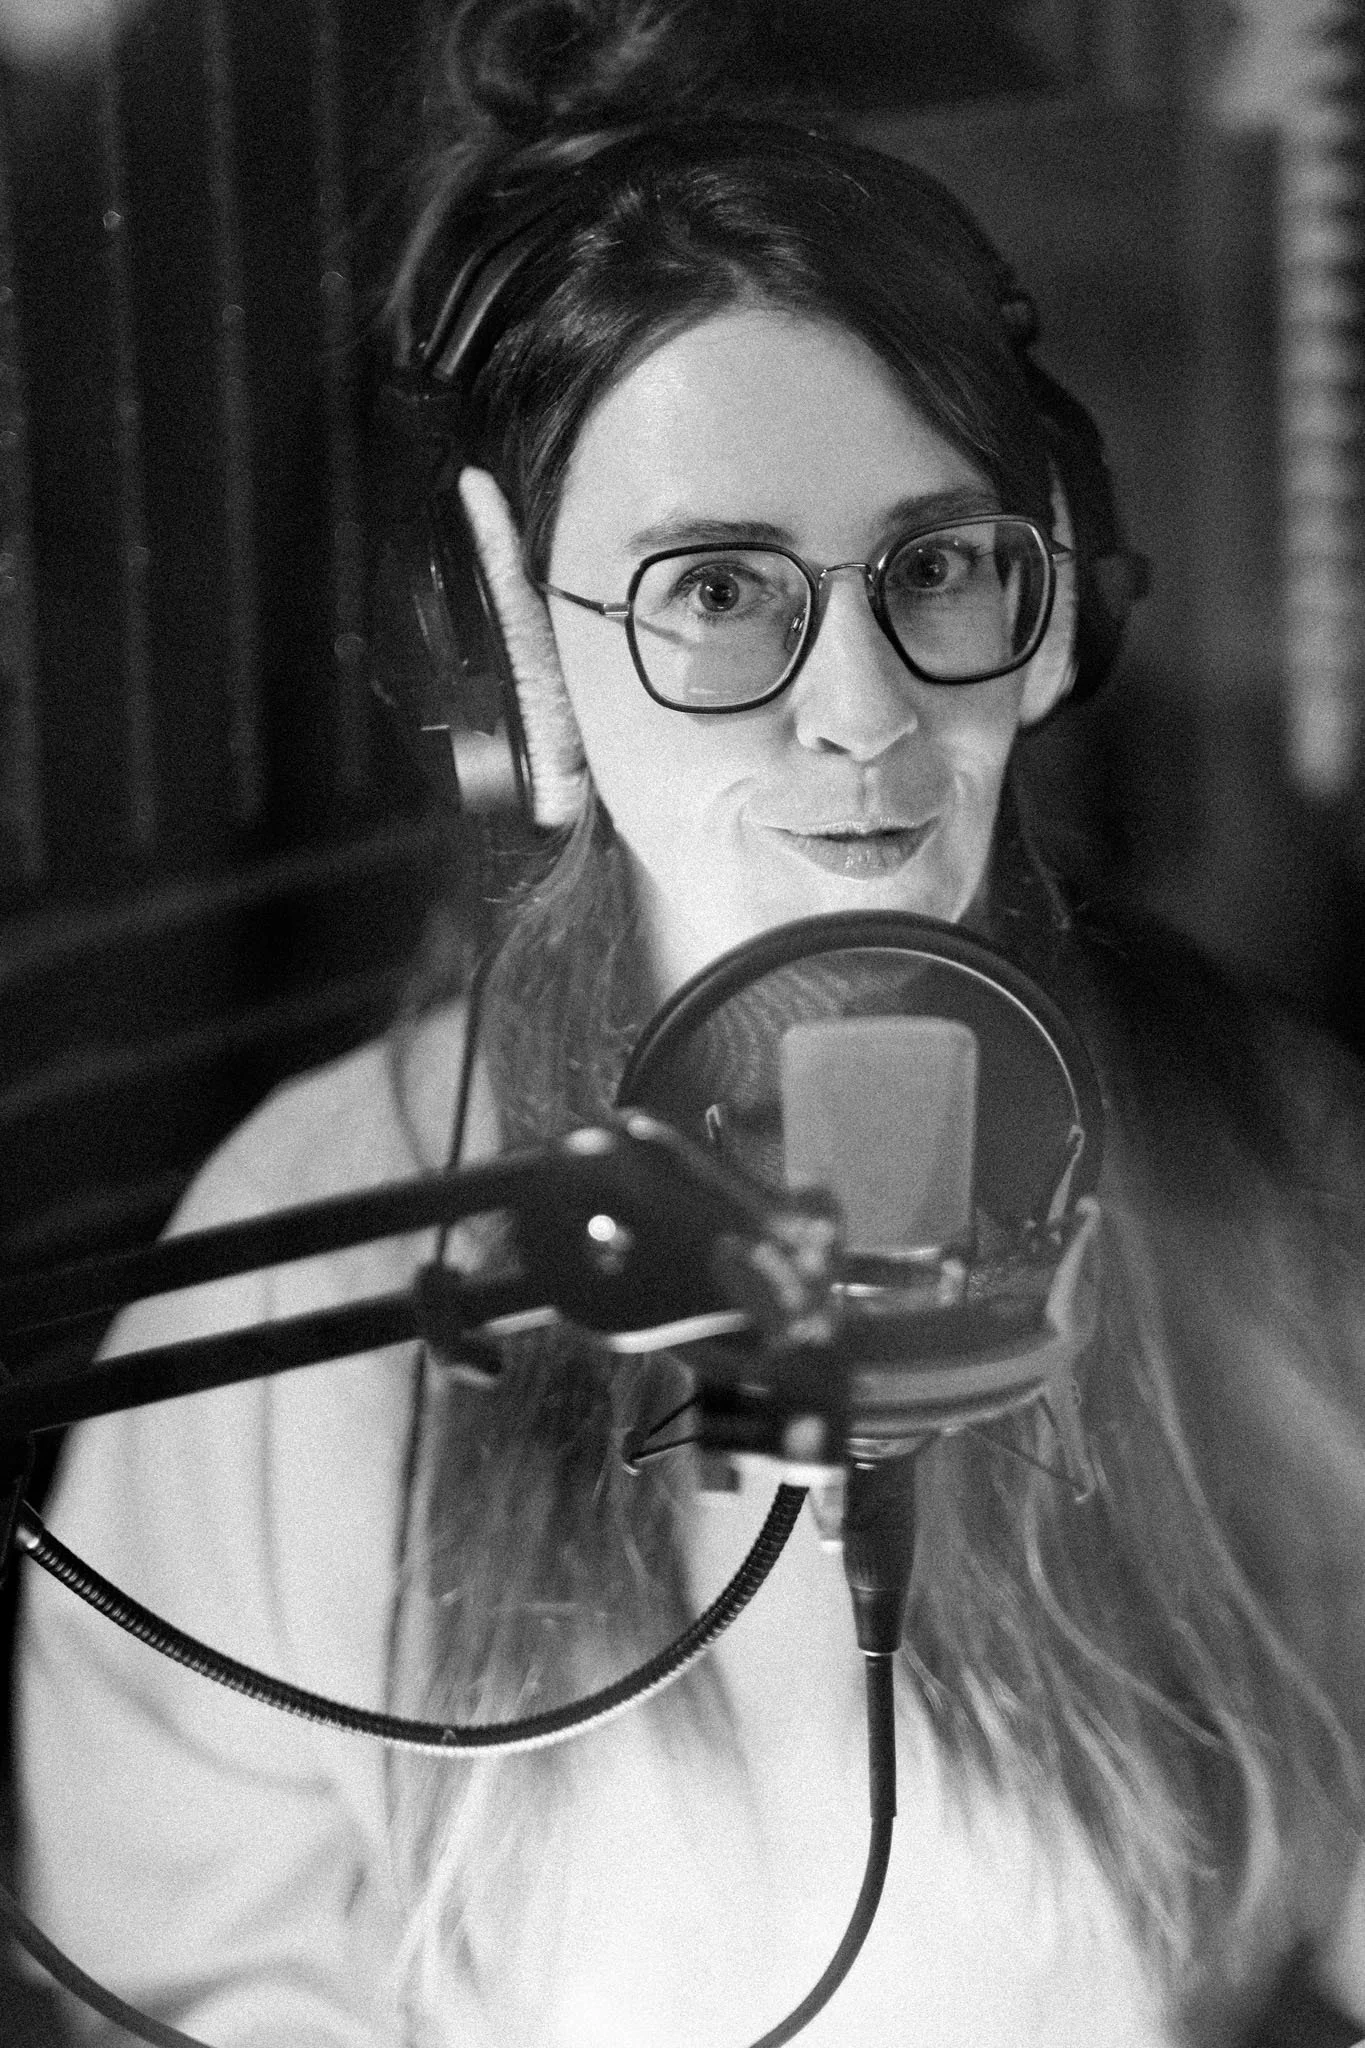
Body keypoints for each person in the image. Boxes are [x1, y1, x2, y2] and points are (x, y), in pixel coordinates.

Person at [16, 2, 1365, 2043]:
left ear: (1059, 595)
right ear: (510, 663)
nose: (861, 713)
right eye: (717, 592)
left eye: (937, 565)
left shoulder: (1290, 1176)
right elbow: (181, 1980)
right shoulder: (298, 1279)